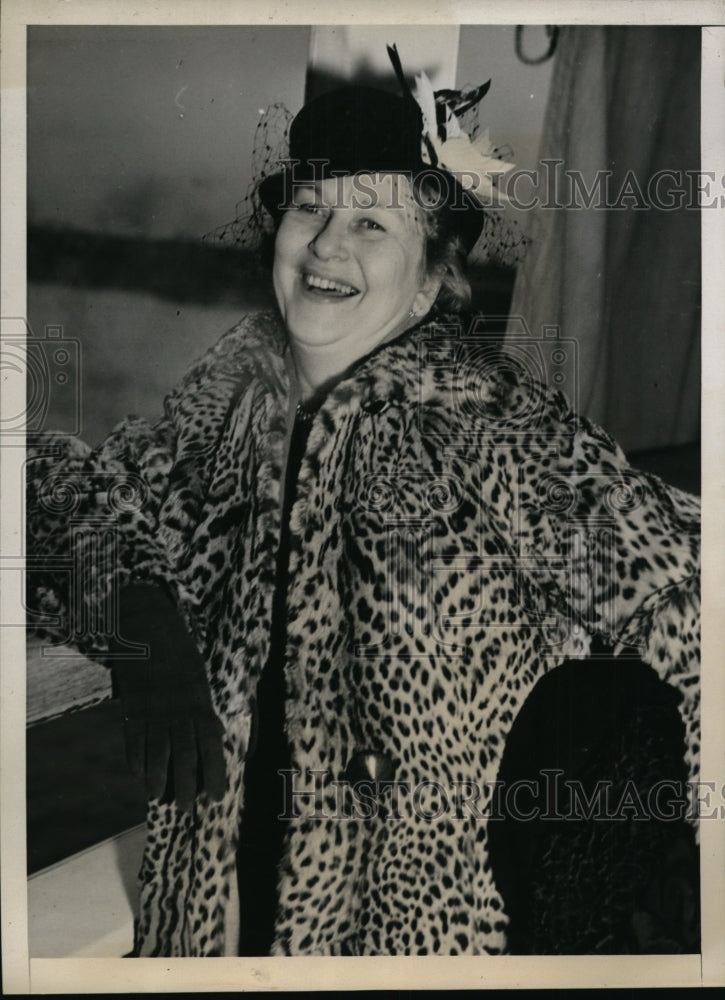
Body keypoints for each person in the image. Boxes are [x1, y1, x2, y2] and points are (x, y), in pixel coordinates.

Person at [26, 49, 700, 957]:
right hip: (214, 950)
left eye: (372, 224)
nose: (328, 243)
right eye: (309, 209)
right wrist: (134, 607)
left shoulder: (502, 431)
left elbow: (688, 598)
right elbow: (42, 485)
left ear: (431, 279)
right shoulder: (211, 425)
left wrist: (621, 875)